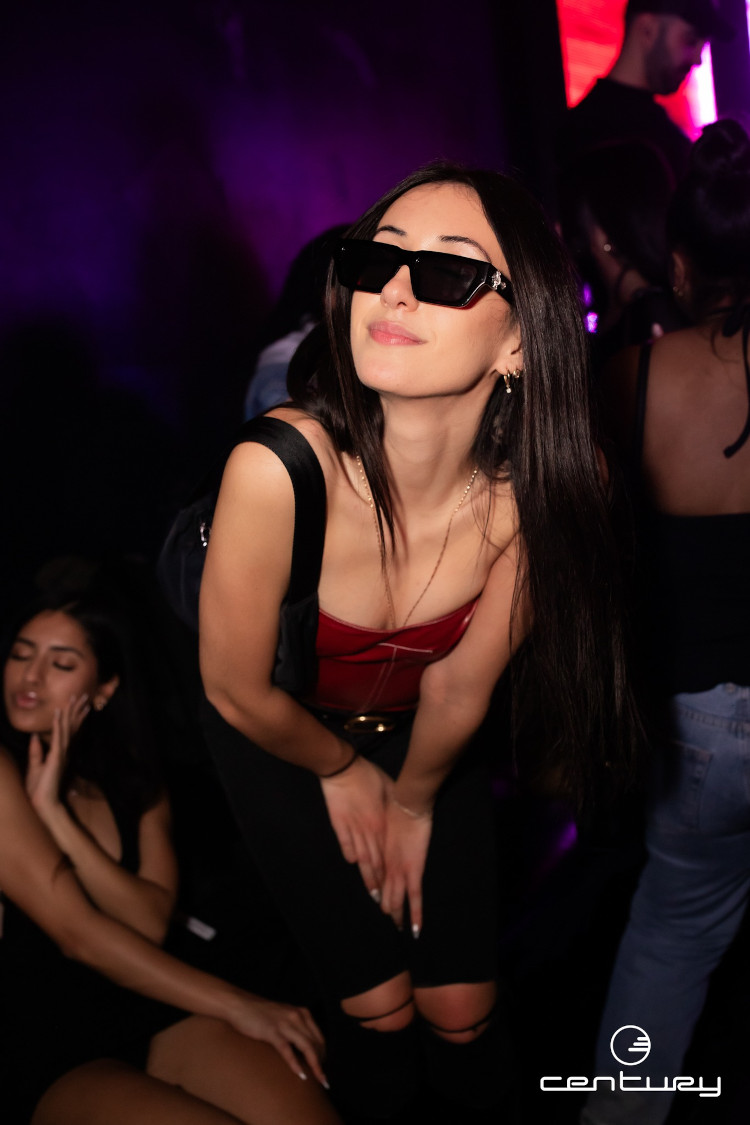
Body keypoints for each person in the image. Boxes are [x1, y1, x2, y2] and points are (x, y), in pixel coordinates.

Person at [198, 161, 640, 1120]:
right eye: (375, 260)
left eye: (448, 273)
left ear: (519, 338)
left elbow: (459, 686)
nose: (393, 290)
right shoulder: (277, 466)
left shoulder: (549, 486)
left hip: (423, 737)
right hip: (274, 727)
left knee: (463, 1012)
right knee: (382, 1008)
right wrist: (340, 770)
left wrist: (409, 797)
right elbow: (235, 691)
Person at [0, 585, 340, 1125]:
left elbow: (149, 922)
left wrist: (56, 816)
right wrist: (239, 1003)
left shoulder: (135, 782)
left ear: (104, 689)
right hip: (51, 1035)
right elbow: (78, 934)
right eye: (20, 655)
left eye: (61, 663)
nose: (31, 677)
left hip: (157, 1007)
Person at [581, 118, 750, 1125]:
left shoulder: (635, 380)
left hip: (700, 732)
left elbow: (593, 557)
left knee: (670, 943)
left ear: (680, 264)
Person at [558, 0, 734, 185]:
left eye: (703, 45)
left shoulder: (581, 128)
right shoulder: (598, 137)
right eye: (690, 40)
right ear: (648, 29)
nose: (698, 59)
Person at [557, 139, 685, 371]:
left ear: (602, 235)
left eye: (573, 221)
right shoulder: (646, 310)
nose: (559, 231)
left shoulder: (649, 319)